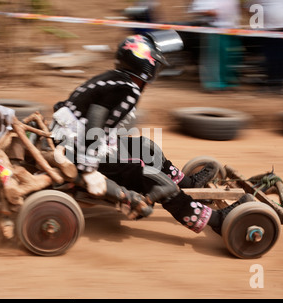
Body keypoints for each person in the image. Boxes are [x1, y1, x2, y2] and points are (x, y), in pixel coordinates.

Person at [18, 33, 254, 235]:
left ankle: (189, 183)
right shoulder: (127, 89)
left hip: (75, 142)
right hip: (79, 151)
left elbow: (74, 109)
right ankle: (217, 221)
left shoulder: (114, 78)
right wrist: (88, 170)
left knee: (145, 147)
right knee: (152, 178)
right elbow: (96, 122)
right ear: (146, 64)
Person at [188, 0, 242, 92]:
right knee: (216, 59)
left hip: (231, 29)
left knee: (228, 58)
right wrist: (214, 13)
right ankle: (214, 84)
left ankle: (227, 82)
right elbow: (197, 8)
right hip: (216, 29)